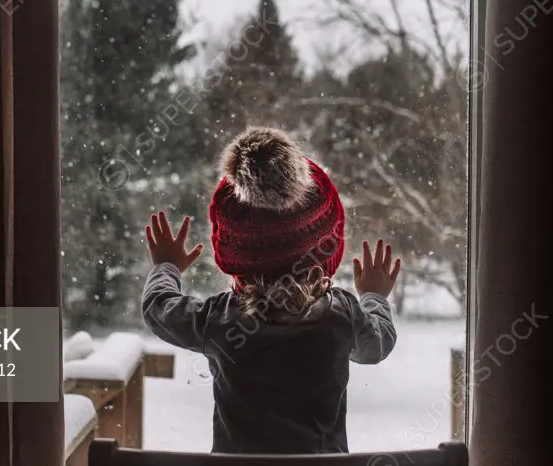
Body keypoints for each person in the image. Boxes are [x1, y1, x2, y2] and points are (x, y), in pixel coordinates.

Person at [141, 126, 401, 454]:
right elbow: (376, 346)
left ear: (234, 255)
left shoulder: (220, 321)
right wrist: (374, 297)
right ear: (324, 251)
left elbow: (158, 308)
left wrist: (166, 266)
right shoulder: (340, 316)